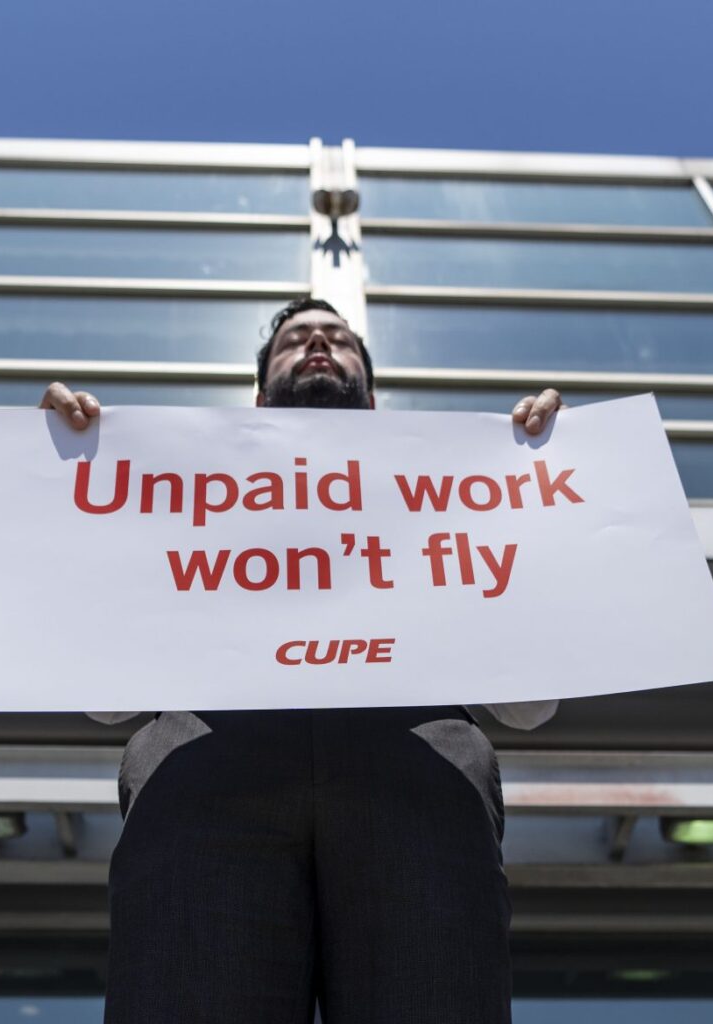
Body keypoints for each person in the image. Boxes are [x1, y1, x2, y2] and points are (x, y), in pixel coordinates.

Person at [41, 298, 564, 1024]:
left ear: (375, 400)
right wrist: (78, 470)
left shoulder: (453, 489)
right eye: (295, 339)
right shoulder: (173, 488)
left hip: (418, 761)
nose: (318, 342)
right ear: (257, 397)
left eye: (339, 339)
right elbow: (105, 701)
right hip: (204, 759)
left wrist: (531, 481)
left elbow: (529, 708)